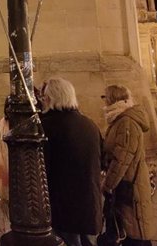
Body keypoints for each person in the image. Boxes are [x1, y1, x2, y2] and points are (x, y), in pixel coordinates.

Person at [40, 77, 102, 246]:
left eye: (44, 97)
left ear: (51, 98)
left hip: (64, 206)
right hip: (89, 203)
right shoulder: (89, 124)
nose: (43, 101)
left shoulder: (47, 127)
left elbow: (41, 168)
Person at [101, 85, 153, 246]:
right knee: (130, 227)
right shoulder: (120, 119)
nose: (103, 101)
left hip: (130, 184)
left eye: (105, 97)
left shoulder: (126, 122)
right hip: (126, 183)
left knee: (135, 229)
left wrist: (108, 185)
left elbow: (122, 159)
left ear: (112, 99)